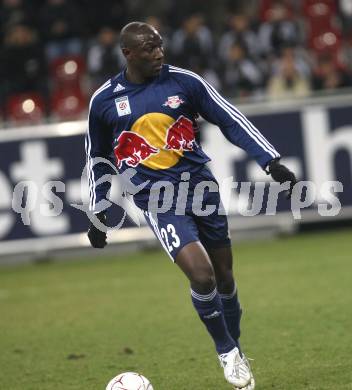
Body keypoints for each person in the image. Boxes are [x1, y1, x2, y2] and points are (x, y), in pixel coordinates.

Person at [85, 22, 297, 389]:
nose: (158, 53)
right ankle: (227, 352)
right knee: (202, 276)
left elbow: (229, 118)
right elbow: (97, 156)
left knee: (225, 278)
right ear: (128, 54)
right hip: (156, 198)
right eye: (149, 48)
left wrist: (269, 160)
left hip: (200, 188)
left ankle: (235, 347)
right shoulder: (104, 100)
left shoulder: (185, 82)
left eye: (160, 46)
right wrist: (98, 209)